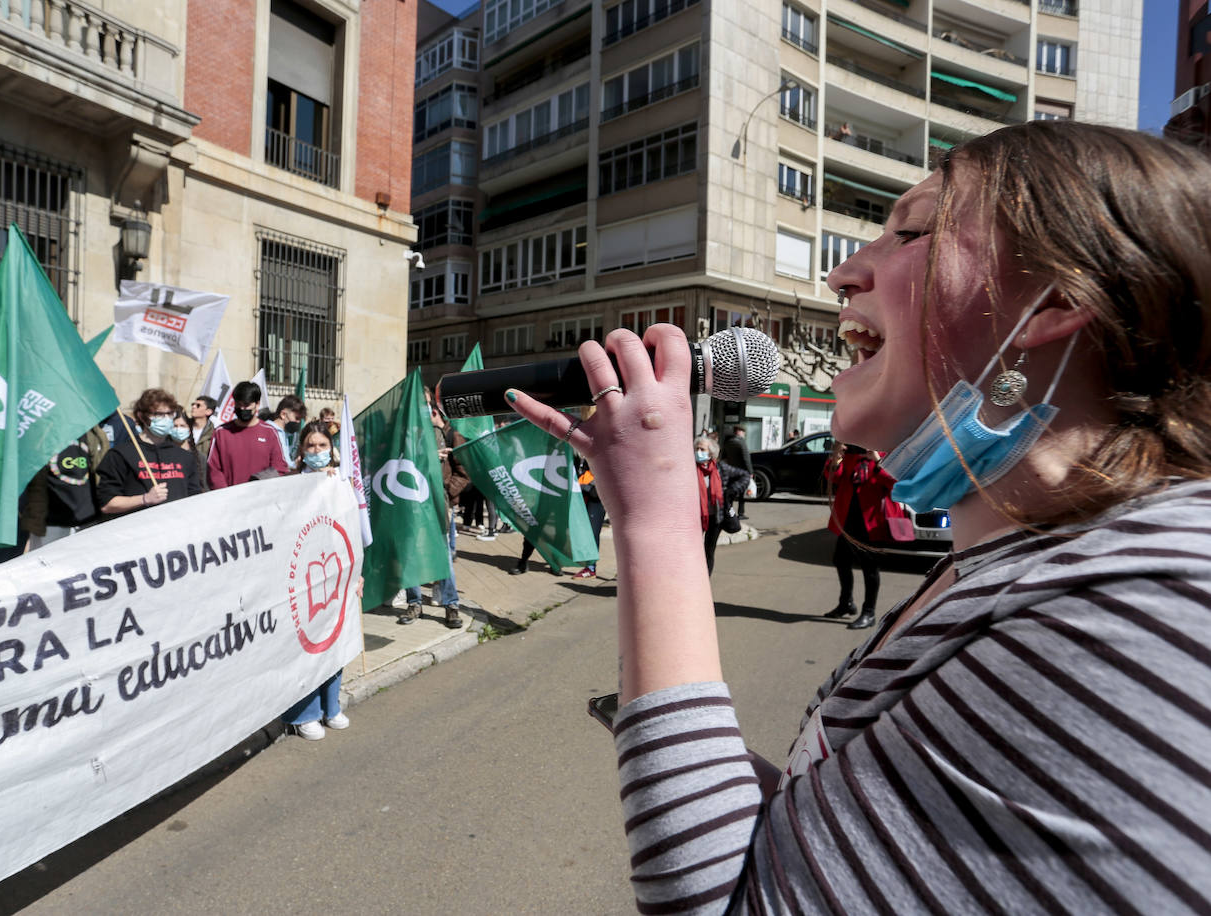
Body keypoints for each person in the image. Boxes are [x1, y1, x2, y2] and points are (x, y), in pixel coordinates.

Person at [506, 121, 1211, 912]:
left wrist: (657, 519)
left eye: (912, 231)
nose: (844, 273)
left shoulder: (1134, 609)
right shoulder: (1039, 567)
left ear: (1052, 296)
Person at [282, 420, 352, 741]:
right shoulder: (290, 485)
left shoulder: (341, 482)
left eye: (322, 445)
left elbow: (350, 528)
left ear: (332, 449)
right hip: (303, 577)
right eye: (310, 446)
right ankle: (304, 713)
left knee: (334, 641)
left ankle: (331, 707)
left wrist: (356, 573)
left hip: (336, 573)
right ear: (301, 452)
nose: (316, 451)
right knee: (307, 646)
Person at [400, 391, 469, 629]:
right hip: (409, 502)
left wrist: (447, 493)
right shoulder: (403, 433)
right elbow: (398, 462)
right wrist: (428, 456)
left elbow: (462, 470)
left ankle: (451, 605)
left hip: (437, 504)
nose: (426, 408)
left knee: (441, 555)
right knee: (410, 554)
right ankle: (414, 602)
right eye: (421, 403)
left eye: (428, 403)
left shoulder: (442, 434)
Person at [96, 389, 204, 515]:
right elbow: (107, 504)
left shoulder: (184, 456)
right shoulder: (120, 454)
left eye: (170, 414)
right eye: (159, 414)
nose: (166, 419)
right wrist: (145, 499)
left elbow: (195, 500)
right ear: (142, 416)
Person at [823, 443, 893, 630]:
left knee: (870, 568)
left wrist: (878, 461)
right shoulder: (848, 454)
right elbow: (832, 478)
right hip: (847, 519)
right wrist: (836, 459)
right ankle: (846, 603)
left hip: (870, 521)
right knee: (841, 561)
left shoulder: (884, 453)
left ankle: (869, 612)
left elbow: (893, 483)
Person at [21, 423, 110, 549]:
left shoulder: (92, 432)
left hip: (88, 519)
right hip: (50, 522)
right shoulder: (38, 434)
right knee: (49, 564)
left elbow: (101, 470)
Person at [207, 381, 288, 488]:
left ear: (257, 404)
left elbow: (280, 467)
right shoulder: (221, 432)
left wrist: (257, 483)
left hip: (261, 498)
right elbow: (213, 469)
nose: (242, 409)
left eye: (246, 405)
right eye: (238, 404)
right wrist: (225, 494)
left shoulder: (269, 432)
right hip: (229, 499)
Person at [694, 435, 723, 575]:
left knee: (709, 551)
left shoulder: (719, 470)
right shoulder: (689, 470)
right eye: (697, 448)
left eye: (702, 449)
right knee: (693, 551)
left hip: (715, 518)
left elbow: (741, 477)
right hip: (695, 517)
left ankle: (706, 581)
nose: (698, 451)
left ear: (710, 452)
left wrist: (729, 494)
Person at [720, 426, 753, 518]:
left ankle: (729, 512)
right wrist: (750, 471)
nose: (744, 434)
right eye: (743, 432)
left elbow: (723, 456)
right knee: (742, 494)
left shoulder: (727, 442)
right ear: (739, 432)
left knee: (730, 493)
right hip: (741, 472)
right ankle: (741, 513)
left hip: (730, 471)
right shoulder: (741, 442)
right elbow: (746, 458)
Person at [190, 395, 217, 463]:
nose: (193, 407)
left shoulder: (214, 434)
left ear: (208, 411)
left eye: (198, 405)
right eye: (193, 404)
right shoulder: (183, 427)